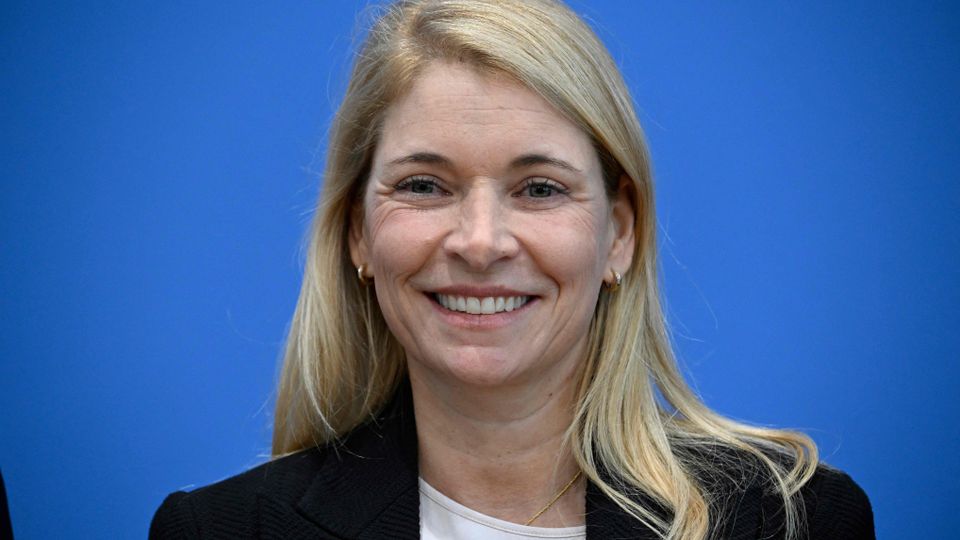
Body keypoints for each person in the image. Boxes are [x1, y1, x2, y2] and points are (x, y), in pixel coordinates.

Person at [151, 0, 874, 538]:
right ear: (358, 234)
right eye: (424, 186)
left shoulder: (793, 521)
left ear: (619, 234)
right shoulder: (219, 531)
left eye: (539, 189)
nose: (481, 242)